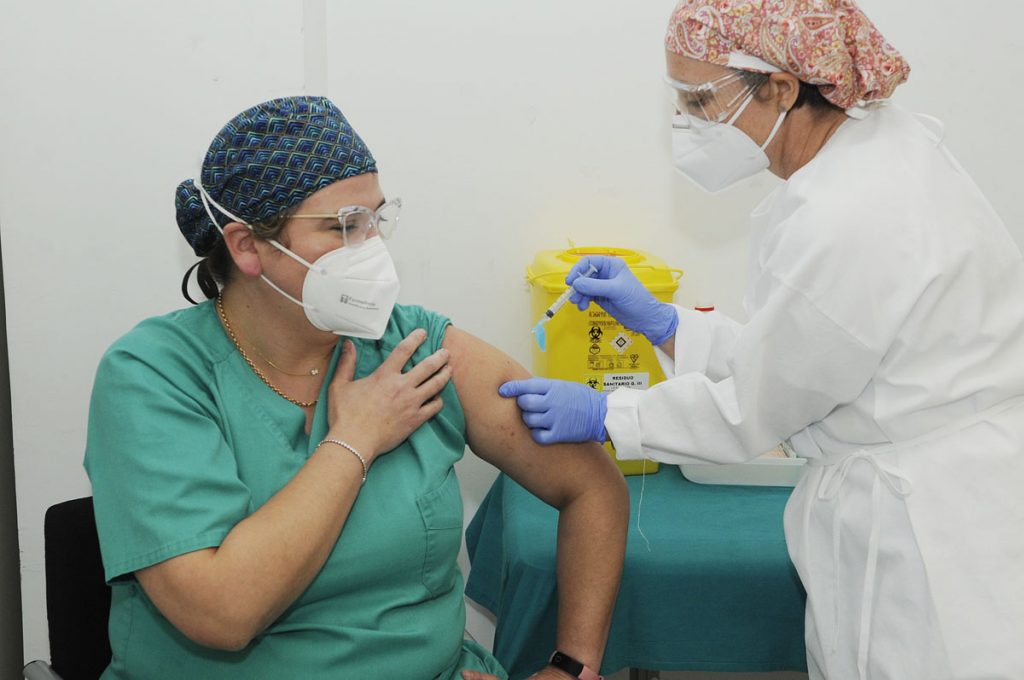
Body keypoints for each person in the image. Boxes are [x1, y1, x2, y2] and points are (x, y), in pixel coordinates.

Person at [500, 2, 1024, 679]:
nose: (684, 123)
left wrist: (609, 415)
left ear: (781, 87)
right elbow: (819, 354)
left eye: (698, 100)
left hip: (926, 529)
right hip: (954, 485)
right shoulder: (881, 153)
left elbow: (756, 408)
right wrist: (669, 324)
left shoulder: (848, 215)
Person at [83, 96, 629, 680]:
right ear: (246, 247)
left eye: (375, 218)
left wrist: (572, 666)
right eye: (343, 226)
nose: (372, 247)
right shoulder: (154, 376)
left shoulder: (415, 347)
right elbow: (221, 613)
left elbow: (592, 485)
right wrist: (356, 439)